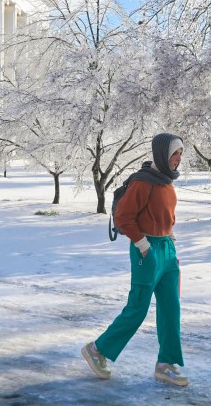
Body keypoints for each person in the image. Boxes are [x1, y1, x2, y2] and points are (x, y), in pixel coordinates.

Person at [82, 132, 188, 387]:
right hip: (146, 250)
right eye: (175, 153)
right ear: (162, 154)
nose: (178, 158)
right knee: (138, 308)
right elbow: (123, 217)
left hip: (166, 250)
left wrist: (170, 240)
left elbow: (163, 215)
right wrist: (143, 246)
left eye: (181, 153)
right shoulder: (143, 182)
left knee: (171, 309)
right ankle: (97, 350)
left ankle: (166, 364)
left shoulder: (166, 182)